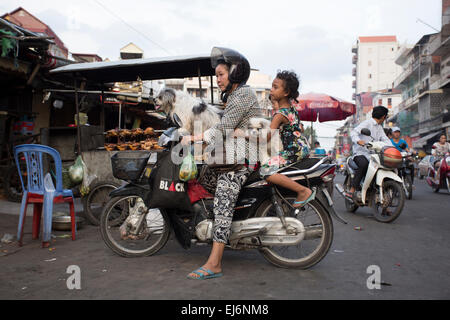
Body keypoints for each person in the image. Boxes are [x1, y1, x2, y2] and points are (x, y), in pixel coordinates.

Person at [181, 47, 260, 280]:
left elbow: (224, 128)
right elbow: (223, 125)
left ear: (235, 73)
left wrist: (195, 138)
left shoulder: (243, 94)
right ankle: (227, 225)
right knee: (204, 176)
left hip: (242, 159)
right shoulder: (236, 96)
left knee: (223, 203)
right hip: (235, 155)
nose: (217, 80)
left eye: (221, 74)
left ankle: (214, 263)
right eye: (216, 75)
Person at [259, 70, 314, 208]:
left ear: (286, 92)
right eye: (272, 86)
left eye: (275, 87)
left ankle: (302, 191)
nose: (271, 90)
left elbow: (266, 138)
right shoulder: (290, 109)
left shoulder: (279, 115)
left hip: (293, 150)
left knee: (265, 170)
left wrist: (243, 135)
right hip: (301, 147)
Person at [346, 106, 392, 198]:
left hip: (374, 155)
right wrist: (359, 141)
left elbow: (386, 139)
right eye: (386, 117)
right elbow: (353, 133)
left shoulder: (379, 128)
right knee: (364, 165)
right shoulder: (367, 123)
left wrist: (393, 149)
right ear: (383, 116)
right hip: (360, 153)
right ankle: (352, 189)